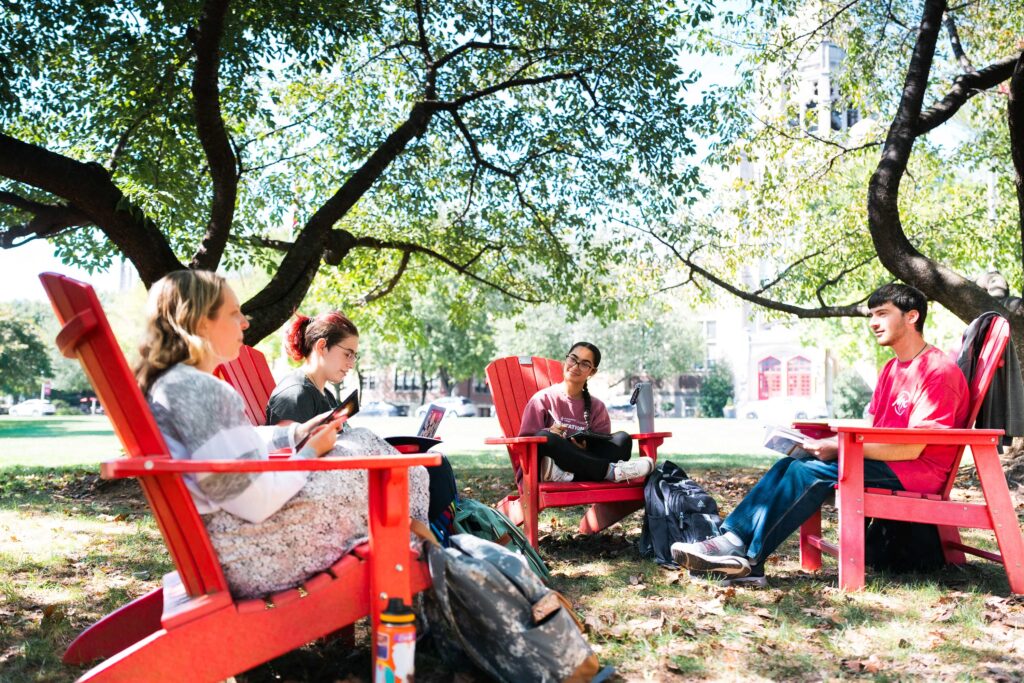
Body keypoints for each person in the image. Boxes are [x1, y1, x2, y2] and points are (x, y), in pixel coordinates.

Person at [135, 270, 430, 598]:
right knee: (392, 467)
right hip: (251, 554)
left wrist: (297, 434)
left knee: (365, 447)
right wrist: (308, 453)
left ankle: (426, 547)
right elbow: (256, 501)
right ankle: (427, 562)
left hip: (229, 543)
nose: (245, 323)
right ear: (202, 321)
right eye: (234, 313)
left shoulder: (175, 385)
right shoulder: (199, 390)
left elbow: (233, 447)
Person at [671, 284, 969, 586]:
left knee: (806, 473)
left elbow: (913, 448)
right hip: (889, 462)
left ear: (912, 317)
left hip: (917, 472)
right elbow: (871, 426)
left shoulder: (937, 371)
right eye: (871, 315)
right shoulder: (892, 369)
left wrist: (840, 447)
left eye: (882, 314)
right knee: (789, 465)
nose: (873, 323)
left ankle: (748, 562)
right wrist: (817, 441)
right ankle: (731, 539)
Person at [267, 311, 457, 544]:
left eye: (354, 356)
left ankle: (438, 541)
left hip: (345, 477)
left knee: (435, 463)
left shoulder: (322, 392)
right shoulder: (294, 395)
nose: (351, 364)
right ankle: (435, 544)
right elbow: (291, 461)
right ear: (322, 346)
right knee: (434, 471)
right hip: (326, 494)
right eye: (347, 354)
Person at [519, 341, 655, 483]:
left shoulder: (597, 407)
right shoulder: (542, 399)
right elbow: (525, 444)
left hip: (580, 468)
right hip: (542, 468)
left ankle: (562, 475)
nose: (576, 366)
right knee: (545, 437)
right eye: (573, 359)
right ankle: (611, 472)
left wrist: (583, 450)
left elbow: (602, 447)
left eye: (584, 364)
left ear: (592, 371)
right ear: (566, 360)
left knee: (622, 440)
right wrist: (550, 432)